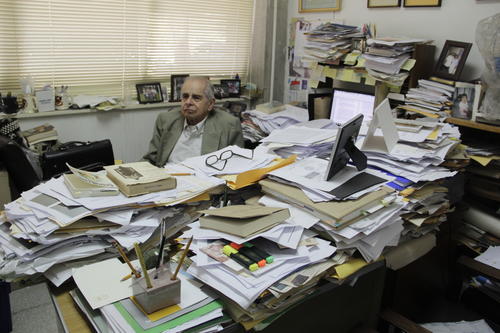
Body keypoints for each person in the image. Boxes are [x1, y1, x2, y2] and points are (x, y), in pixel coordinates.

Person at [143, 77, 244, 167]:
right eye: (185, 96)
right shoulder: (165, 119)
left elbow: (236, 167)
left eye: (196, 98)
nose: (188, 102)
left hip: (205, 182)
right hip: (167, 178)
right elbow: (152, 158)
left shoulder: (229, 125)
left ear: (210, 104)